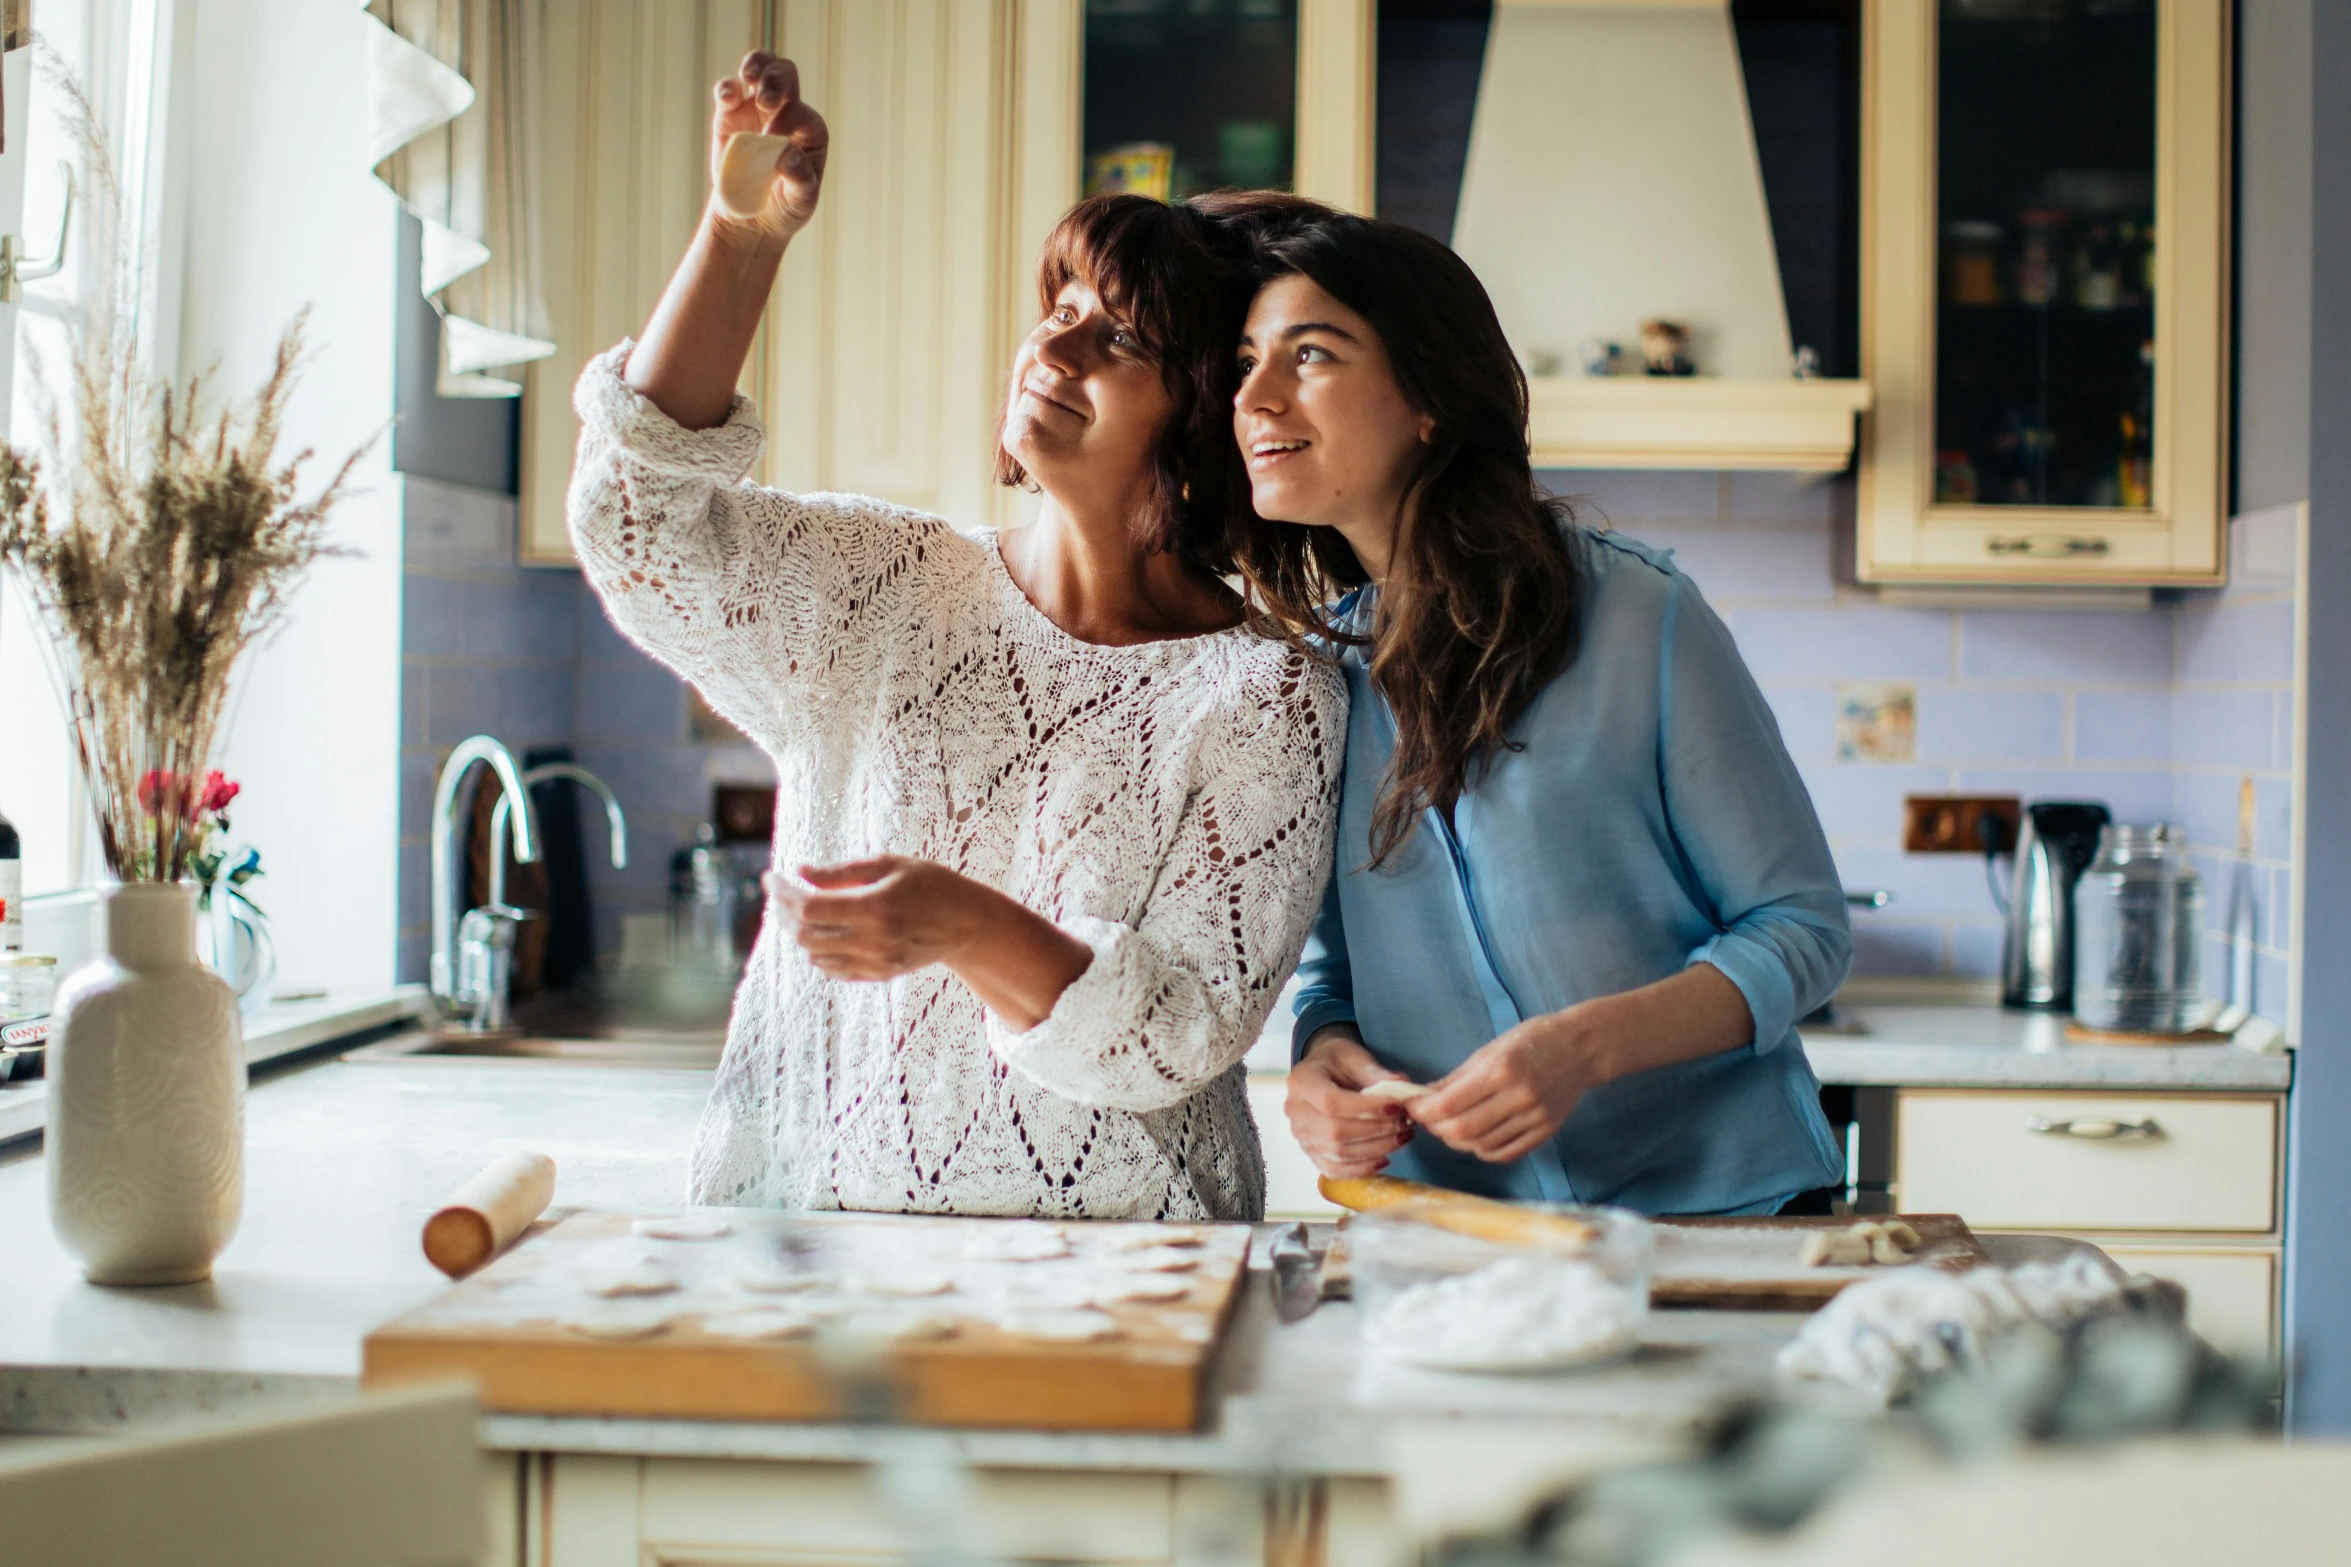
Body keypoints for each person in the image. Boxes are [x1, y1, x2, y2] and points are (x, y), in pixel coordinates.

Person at [567, 55, 1345, 1218]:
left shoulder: (1268, 695)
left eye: (1120, 340)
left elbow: (1178, 1032)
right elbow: (635, 521)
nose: (1056, 348)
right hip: (814, 1246)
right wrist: (739, 237)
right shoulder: (886, 585)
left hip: (1134, 1281)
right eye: (1060, 310)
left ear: (1196, 427)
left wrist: (962, 922)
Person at [1212, 195, 1849, 1215]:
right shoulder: (1308, 674)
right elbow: (1335, 973)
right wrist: (1321, 1059)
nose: (1255, 396)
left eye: (1311, 355)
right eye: (1244, 362)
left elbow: (1801, 930)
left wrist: (1579, 1048)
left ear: (1428, 397)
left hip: (1722, 1220)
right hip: (1457, 1236)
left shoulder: (1640, 614)